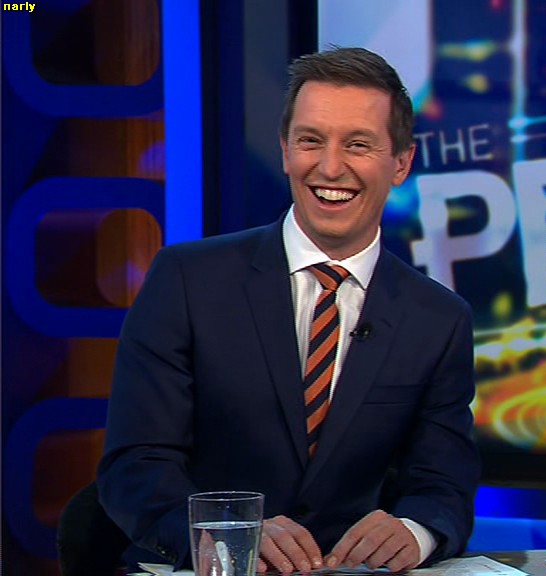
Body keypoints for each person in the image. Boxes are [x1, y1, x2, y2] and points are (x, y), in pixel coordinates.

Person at [97, 46, 480, 573]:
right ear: (284, 150)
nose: (330, 167)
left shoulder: (438, 319)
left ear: (401, 163)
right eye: (310, 141)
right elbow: (136, 465)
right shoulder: (187, 280)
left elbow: (443, 485)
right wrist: (225, 534)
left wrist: (415, 531)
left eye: (358, 144)